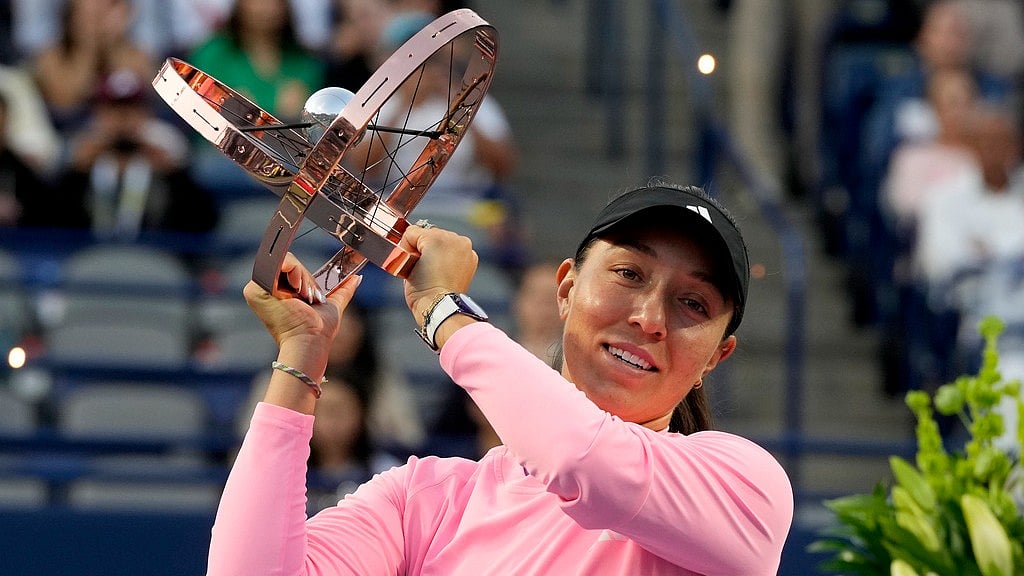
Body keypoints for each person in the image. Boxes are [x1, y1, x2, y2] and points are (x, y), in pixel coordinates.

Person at [208, 181, 793, 574]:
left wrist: (444, 311)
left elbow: (580, 458)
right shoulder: (427, 500)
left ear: (716, 358)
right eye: (628, 273)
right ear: (566, 289)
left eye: (693, 304)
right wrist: (302, 354)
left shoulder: (745, 485)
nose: (649, 317)